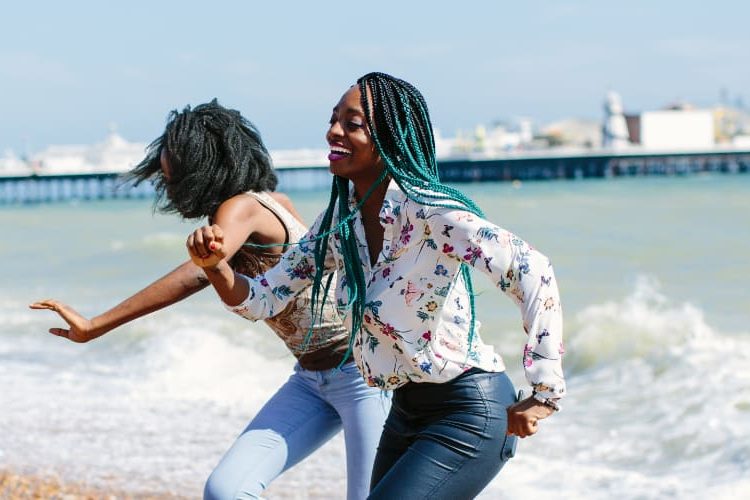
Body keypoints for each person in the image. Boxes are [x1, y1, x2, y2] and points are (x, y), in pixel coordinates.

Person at [186, 73, 566, 499]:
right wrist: (216, 267)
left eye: (353, 124)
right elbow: (263, 299)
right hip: (404, 412)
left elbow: (533, 269)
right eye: (333, 121)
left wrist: (544, 391)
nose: (334, 131)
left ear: (389, 137)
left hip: (467, 413)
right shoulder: (341, 221)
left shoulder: (428, 212)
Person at [29, 100, 389, 500]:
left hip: (361, 377)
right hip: (309, 380)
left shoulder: (242, 208)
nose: (168, 187)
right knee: (226, 490)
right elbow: (211, 268)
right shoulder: (271, 201)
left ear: (202, 168)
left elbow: (197, 274)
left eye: (172, 177)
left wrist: (97, 325)